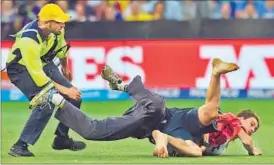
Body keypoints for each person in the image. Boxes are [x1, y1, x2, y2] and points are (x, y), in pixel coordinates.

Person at [29, 58, 260, 157]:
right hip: (169, 117)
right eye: (252, 124)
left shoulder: (225, 139)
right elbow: (244, 135)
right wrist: (254, 150)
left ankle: (56, 102)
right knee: (160, 104)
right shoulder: (233, 122)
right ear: (243, 118)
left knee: (196, 151)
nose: (251, 129)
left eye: (254, 129)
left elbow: (225, 140)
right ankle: (216, 72)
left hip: (171, 133)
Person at [6, 4, 85, 157]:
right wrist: (63, 89)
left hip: (44, 62)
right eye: (59, 21)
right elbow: (38, 75)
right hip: (21, 69)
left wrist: (65, 67)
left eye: (63, 21)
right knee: (46, 101)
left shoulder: (57, 30)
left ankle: (61, 139)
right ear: (47, 23)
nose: (63, 25)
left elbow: (61, 48)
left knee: (74, 97)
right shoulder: (29, 39)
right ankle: (20, 146)